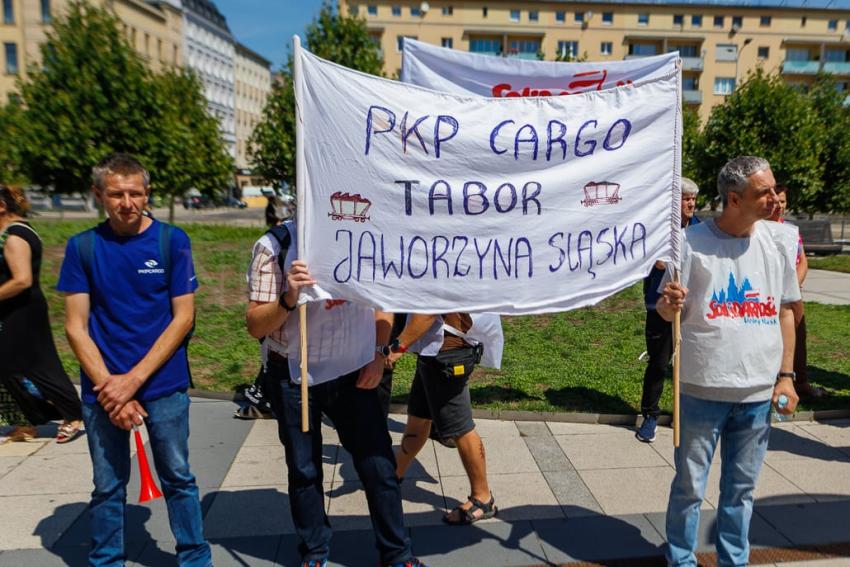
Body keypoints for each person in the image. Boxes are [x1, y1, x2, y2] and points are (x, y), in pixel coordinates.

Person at [58, 153, 211, 567]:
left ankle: (194, 557)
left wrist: (133, 381)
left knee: (178, 478)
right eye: (116, 194)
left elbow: (184, 318)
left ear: (147, 194)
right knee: (108, 486)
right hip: (103, 391)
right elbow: (75, 326)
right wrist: (113, 388)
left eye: (135, 193)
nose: (127, 202)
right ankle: (107, 560)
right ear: (98, 195)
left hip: (163, 386)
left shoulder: (172, 241)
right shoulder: (82, 247)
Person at [245, 219, 426, 567]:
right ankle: (314, 553)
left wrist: (378, 353)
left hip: (354, 372)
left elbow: (381, 303)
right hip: (293, 375)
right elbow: (256, 325)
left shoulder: (367, 234)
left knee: (379, 466)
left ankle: (398, 554)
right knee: (304, 469)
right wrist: (289, 298)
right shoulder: (275, 246)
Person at [658, 156, 800, 567]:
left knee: (741, 489)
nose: (775, 198)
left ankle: (732, 561)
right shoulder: (689, 243)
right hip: (702, 389)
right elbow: (667, 311)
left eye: (774, 188)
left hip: (757, 393)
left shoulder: (779, 241)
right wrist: (670, 306)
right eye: (765, 192)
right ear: (734, 199)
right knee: (690, 486)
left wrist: (786, 377)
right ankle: (680, 559)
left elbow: (787, 310)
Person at [388, 313, 495, 525]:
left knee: (461, 428)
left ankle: (483, 498)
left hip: (448, 355)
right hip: (433, 351)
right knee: (419, 417)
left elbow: (427, 311)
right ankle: (393, 475)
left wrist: (397, 348)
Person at [0, 186, 83, 443]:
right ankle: (30, 420)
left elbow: (22, 280)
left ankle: (73, 413)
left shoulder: (16, 235)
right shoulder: (9, 232)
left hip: (23, 311)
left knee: (40, 364)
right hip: (11, 309)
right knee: (6, 367)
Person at [636, 178, 702, 443]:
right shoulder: (659, 230)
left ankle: (683, 413)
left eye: (694, 199)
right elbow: (650, 264)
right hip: (660, 306)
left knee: (691, 363)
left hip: (691, 306)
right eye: (686, 199)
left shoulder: (699, 231)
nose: (691, 204)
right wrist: (658, 261)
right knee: (659, 362)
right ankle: (650, 415)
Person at [769, 184, 825, 399]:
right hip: (768, 293)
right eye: (775, 201)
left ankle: (800, 381)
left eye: (782, 201)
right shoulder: (758, 228)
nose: (779, 205)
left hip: (791, 292)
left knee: (798, 335)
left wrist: (794, 284)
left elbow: (802, 261)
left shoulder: (791, 230)